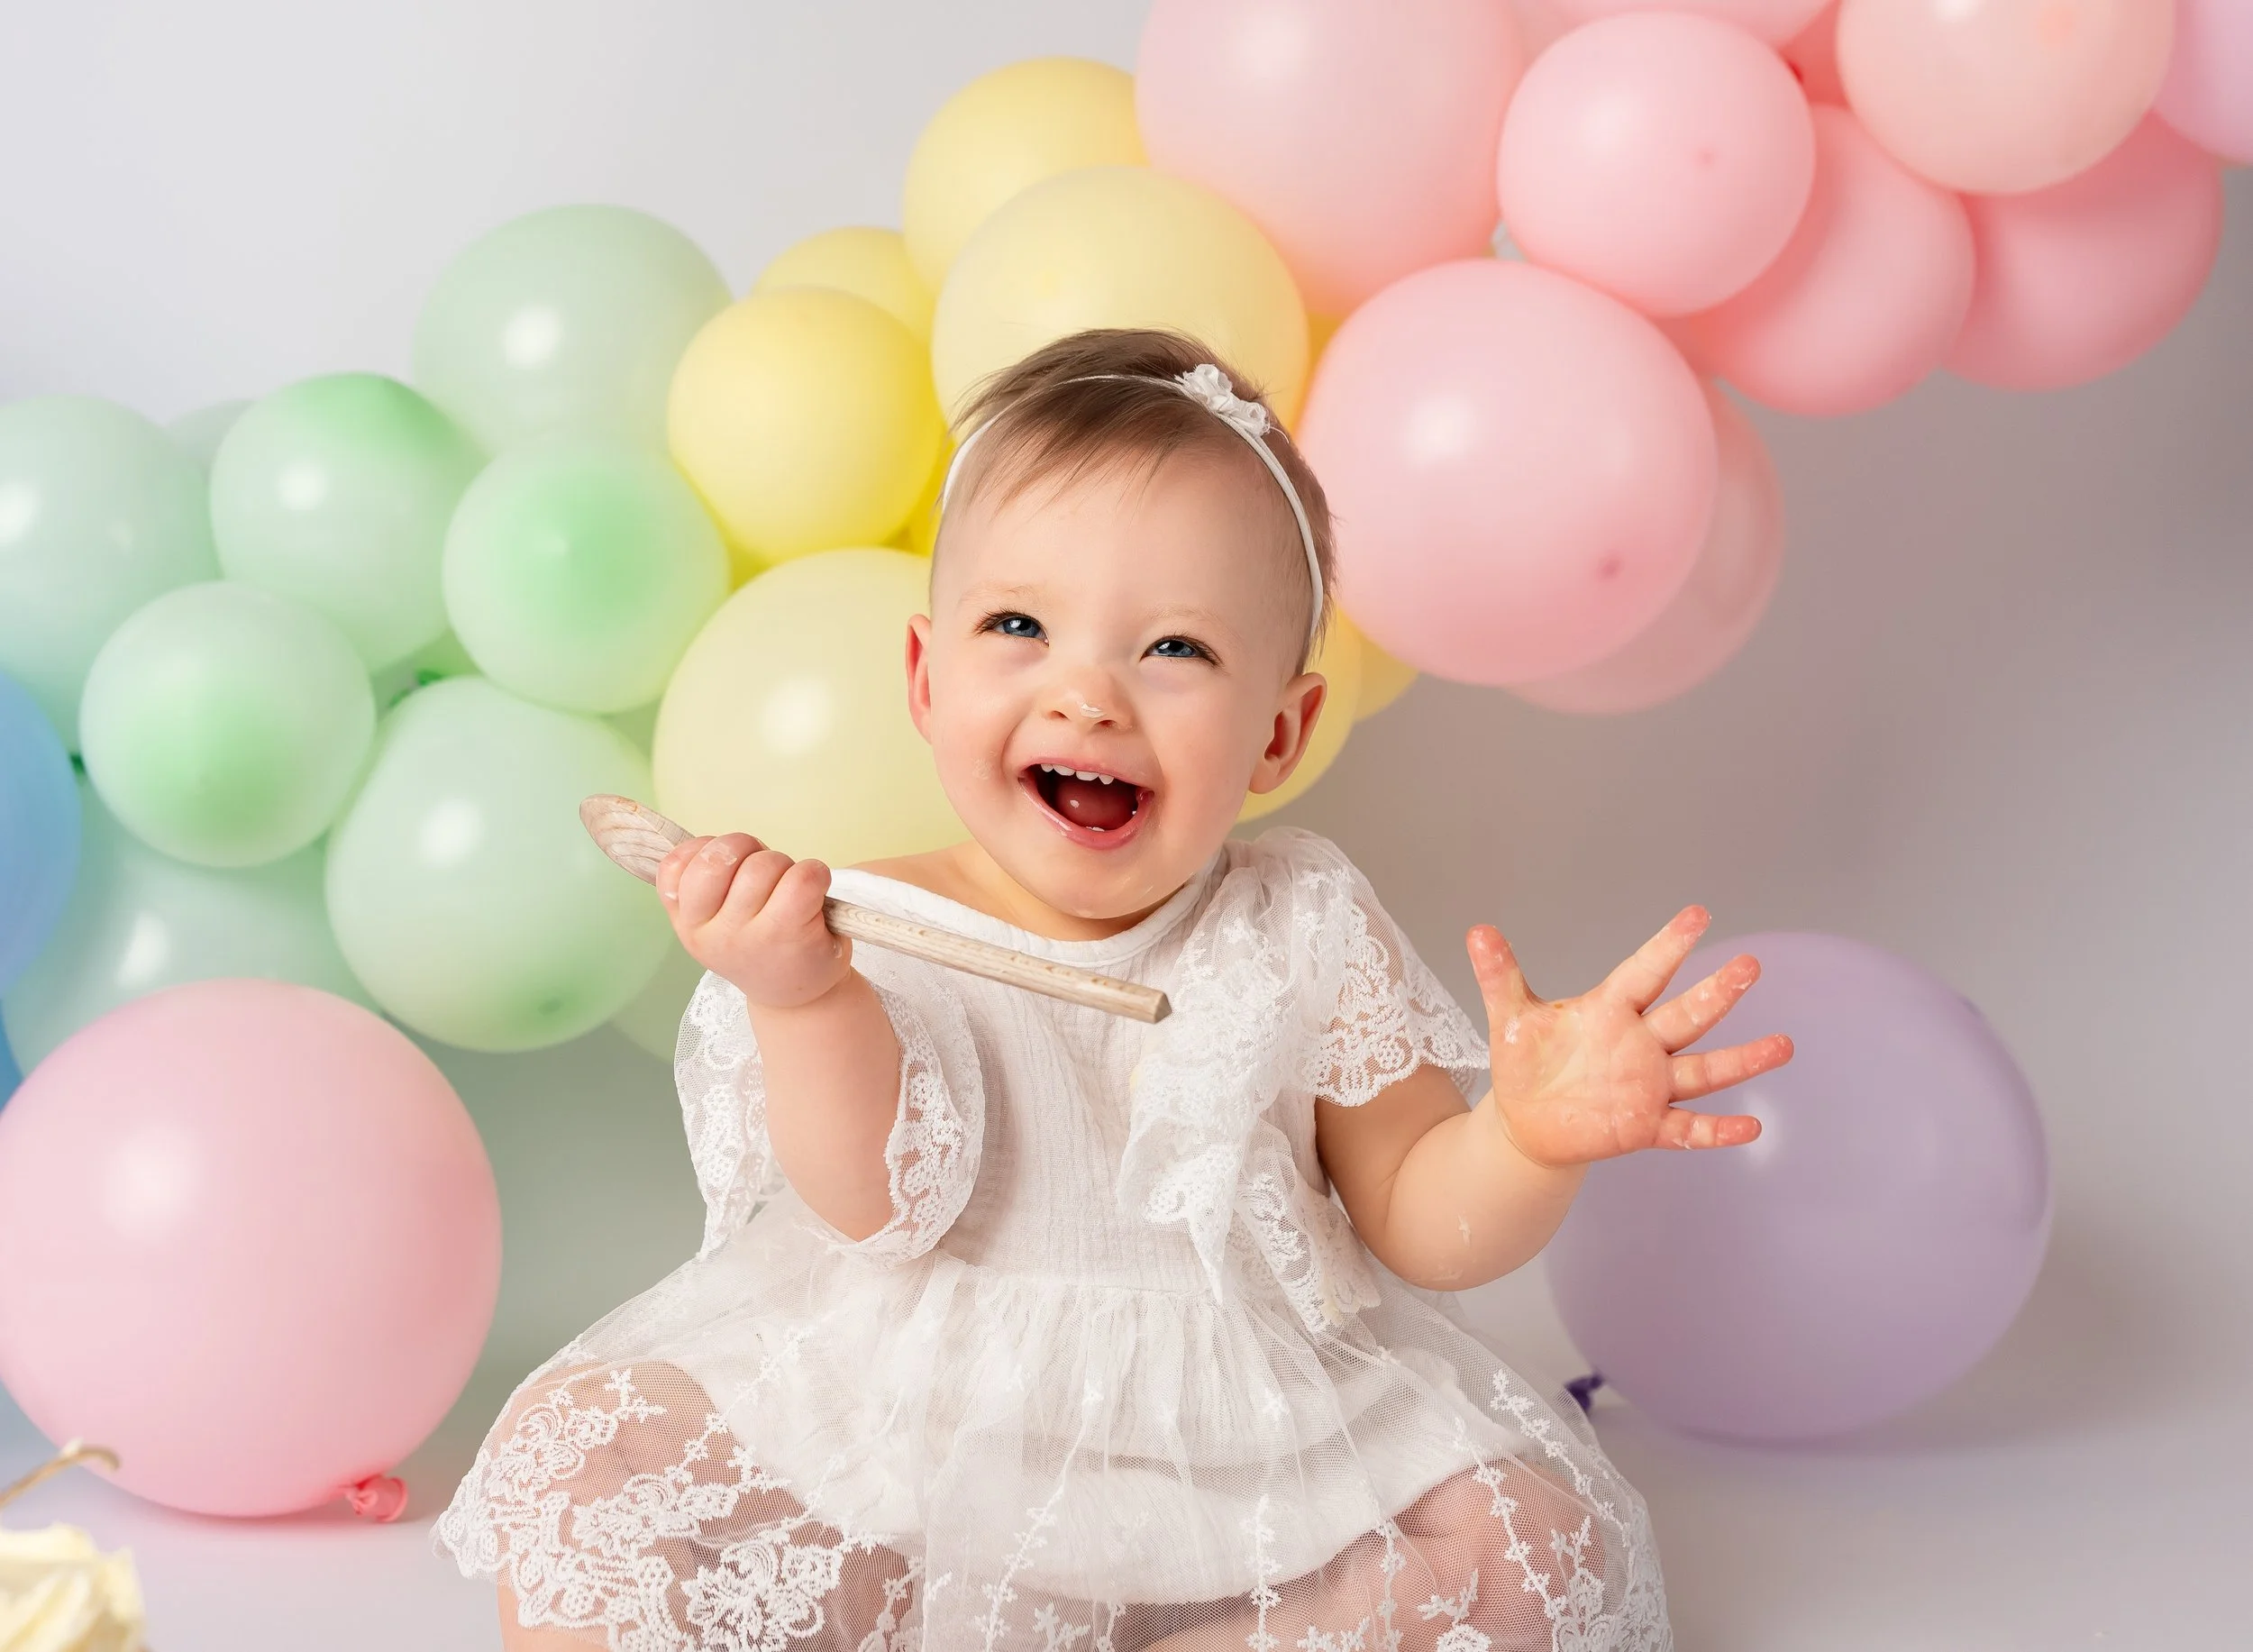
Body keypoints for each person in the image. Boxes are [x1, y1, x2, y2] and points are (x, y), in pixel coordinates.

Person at [434, 327, 1791, 1652]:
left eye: (1176, 650)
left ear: (1281, 728)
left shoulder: (1298, 921)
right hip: (918, 1453)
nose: (1087, 695)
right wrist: (802, 999)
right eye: (1018, 625)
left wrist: (1524, 1139)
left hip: (1244, 1470)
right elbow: (878, 1204)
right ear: (926, 675)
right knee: (586, 1458)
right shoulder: (864, 925)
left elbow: (1423, 1225)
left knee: (1541, 1549)